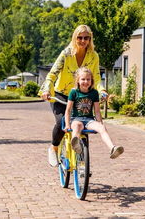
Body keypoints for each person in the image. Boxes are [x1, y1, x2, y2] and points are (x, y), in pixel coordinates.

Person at [39, 24, 107, 167]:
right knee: (62, 121)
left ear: (90, 39)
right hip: (61, 94)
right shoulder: (66, 53)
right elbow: (52, 74)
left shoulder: (93, 56)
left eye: (86, 38)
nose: (83, 41)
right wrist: (46, 89)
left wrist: (102, 91)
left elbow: (96, 77)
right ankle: (54, 148)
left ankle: (81, 157)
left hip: (82, 95)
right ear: (75, 38)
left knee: (83, 121)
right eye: (80, 37)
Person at [65, 67, 124, 159]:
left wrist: (100, 123)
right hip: (76, 119)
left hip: (89, 120)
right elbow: (68, 110)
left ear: (91, 81)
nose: (86, 81)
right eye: (83, 79)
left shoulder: (94, 93)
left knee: (102, 127)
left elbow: (96, 111)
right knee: (77, 126)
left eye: (88, 79)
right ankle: (75, 144)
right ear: (78, 80)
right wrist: (67, 125)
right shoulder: (74, 92)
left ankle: (112, 148)